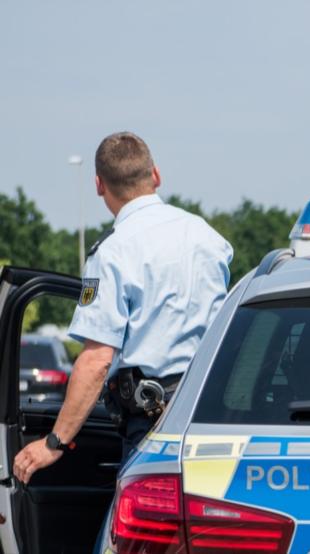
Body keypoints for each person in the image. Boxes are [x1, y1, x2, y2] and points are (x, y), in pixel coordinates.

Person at [12, 132, 232, 483]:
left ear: (99, 185)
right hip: (213, 414)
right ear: (155, 175)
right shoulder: (208, 237)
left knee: (136, 517)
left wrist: (54, 442)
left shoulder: (110, 254)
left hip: (151, 423)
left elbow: (97, 360)